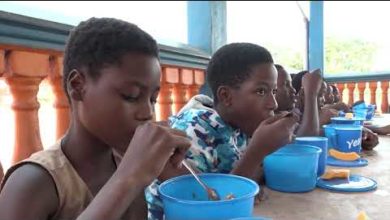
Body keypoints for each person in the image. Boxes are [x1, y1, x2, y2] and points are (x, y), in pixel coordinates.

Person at [0, 17, 191, 220]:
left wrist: (181, 179)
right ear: (78, 86)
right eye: (131, 96)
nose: (147, 113)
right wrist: (129, 178)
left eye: (152, 99)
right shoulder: (32, 183)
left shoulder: (126, 162)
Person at [146, 43, 299, 219]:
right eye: (261, 91)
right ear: (226, 96)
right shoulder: (193, 132)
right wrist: (257, 152)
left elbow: (235, 179)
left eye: (273, 91)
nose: (274, 104)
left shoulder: (239, 124)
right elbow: (207, 209)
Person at [275, 64, 322, 136]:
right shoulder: (272, 121)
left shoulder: (287, 114)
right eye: (286, 85)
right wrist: (311, 93)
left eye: (291, 84)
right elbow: (307, 139)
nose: (293, 90)